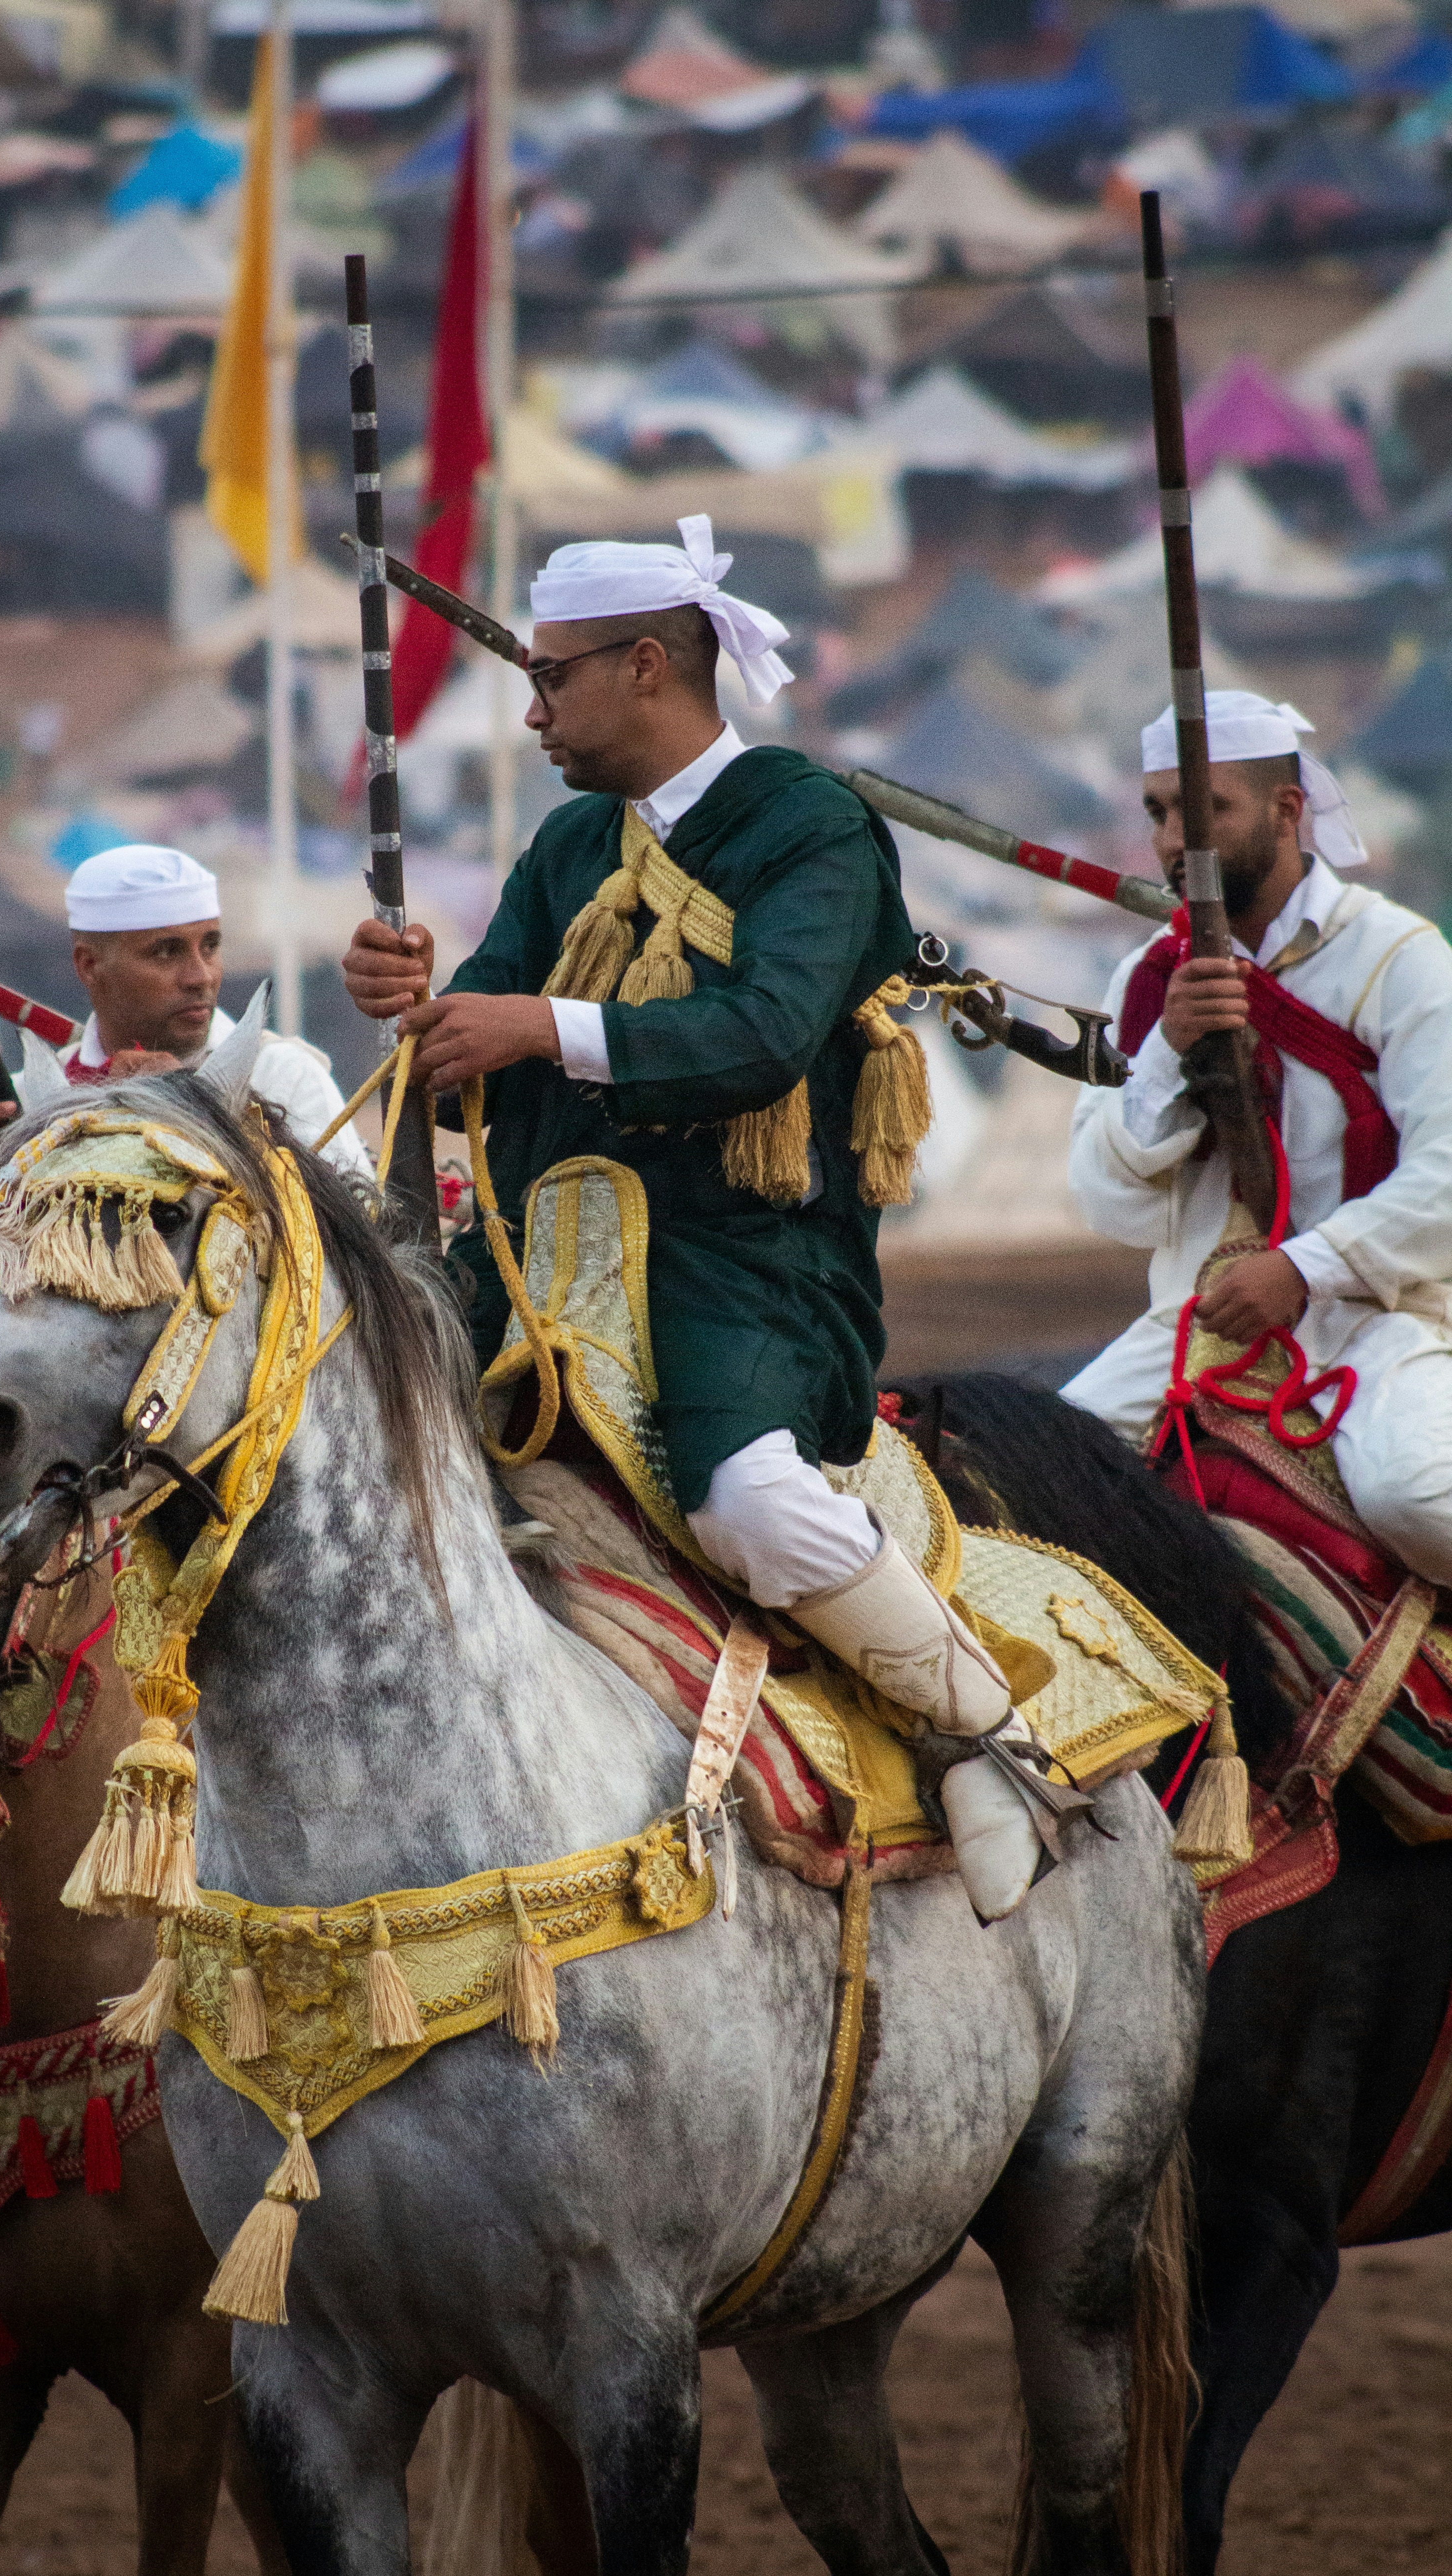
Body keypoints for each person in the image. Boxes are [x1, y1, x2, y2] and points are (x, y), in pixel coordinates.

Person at [342, 516, 1068, 1920]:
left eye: (555, 678)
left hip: (746, 1266)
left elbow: (765, 1036)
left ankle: (990, 1734)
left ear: (650, 665)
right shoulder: (566, 847)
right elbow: (466, 1069)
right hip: (542, 1270)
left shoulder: (811, 825)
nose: (534, 707)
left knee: (749, 1502)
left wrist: (533, 1021)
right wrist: (416, 1008)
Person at [1062, 692, 1452, 1583]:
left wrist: (1302, 1269)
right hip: (1191, 1332)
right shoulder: (1149, 978)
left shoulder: (1400, 957)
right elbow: (1106, 1199)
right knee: (1027, 1489)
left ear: (1287, 810)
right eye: (1159, 813)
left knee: (1416, 1498)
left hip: (1377, 1324)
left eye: (1206, 813)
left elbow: (1446, 1177)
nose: (1172, 843)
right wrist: (1169, 1047)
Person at [0, 844, 369, 1303]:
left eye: (211, 946)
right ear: (90, 965)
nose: (200, 975)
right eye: (167, 952)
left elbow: (364, 1247)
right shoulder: (25, 1105)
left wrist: (193, 1110)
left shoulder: (284, 1076)